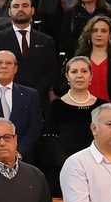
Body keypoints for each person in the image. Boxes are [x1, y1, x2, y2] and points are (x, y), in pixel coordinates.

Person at [42, 56, 101, 194]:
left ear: (91, 76)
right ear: (67, 77)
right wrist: (70, 166)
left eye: (84, 71)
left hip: (97, 170)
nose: (79, 76)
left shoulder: (102, 106)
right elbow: (50, 139)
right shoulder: (56, 106)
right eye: (74, 72)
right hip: (64, 170)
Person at [0, 0, 56, 99]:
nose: (20, 9)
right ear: (9, 12)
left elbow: (51, 72)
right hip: (6, 97)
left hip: (38, 99)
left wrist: (34, 93)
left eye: (25, 6)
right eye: (16, 6)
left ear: (32, 11)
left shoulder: (46, 41)